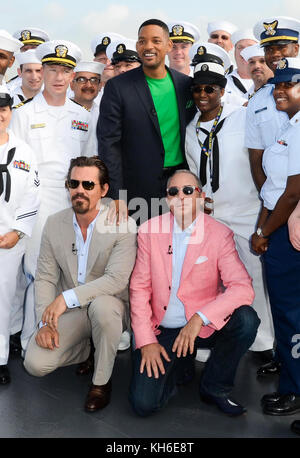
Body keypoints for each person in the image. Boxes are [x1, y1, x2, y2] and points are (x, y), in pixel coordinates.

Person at [129, 169, 259, 417]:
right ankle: (180, 365)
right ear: (167, 199)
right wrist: (146, 341)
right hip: (164, 329)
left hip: (203, 326)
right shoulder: (148, 230)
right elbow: (139, 289)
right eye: (173, 191)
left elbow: (242, 287)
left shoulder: (219, 234)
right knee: (143, 405)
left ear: (201, 197)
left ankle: (215, 387)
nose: (181, 196)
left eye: (188, 190)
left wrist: (199, 318)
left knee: (246, 319)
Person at [24, 156, 137, 412]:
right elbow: (46, 278)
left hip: (109, 307)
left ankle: (101, 382)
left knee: (104, 309)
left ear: (104, 190)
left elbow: (116, 280)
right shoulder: (54, 224)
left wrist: (65, 298)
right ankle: (89, 351)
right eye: (74, 183)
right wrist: (45, 323)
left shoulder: (123, 224)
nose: (80, 190)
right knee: (35, 364)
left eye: (88, 185)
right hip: (72, 313)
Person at [185, 43, 274, 363]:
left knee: (253, 276)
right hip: (212, 215)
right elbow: (196, 172)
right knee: (211, 280)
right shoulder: (191, 128)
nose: (203, 94)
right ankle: (213, 336)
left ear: (222, 89)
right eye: (197, 89)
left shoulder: (244, 114)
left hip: (247, 211)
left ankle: (264, 341)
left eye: (210, 88)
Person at [10, 39, 94, 351]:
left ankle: (63, 336)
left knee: (70, 273)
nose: (59, 77)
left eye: (66, 70)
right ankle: (31, 337)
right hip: (37, 200)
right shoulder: (24, 114)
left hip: (74, 202)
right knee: (36, 272)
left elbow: (90, 162)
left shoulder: (83, 116)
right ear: (42, 71)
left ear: (74, 75)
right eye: (53, 69)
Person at [98, 18, 196, 224]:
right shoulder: (118, 87)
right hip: (136, 187)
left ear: (169, 45)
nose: (148, 46)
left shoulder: (185, 85)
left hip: (179, 185)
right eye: (142, 41)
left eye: (156, 41)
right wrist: (116, 195)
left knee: (178, 245)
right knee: (141, 246)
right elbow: (109, 144)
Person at [251, 57, 300, 416]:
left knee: (290, 315)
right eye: (277, 85)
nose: (280, 90)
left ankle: (295, 390)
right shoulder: (289, 127)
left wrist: (264, 231)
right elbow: (272, 188)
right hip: (276, 228)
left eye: (289, 85)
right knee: (286, 313)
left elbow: (293, 192)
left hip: (287, 233)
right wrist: (261, 227)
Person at [0, 86, 40, 385]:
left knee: (3, 300)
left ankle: (0, 359)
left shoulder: (24, 151)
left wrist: (18, 231)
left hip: (9, 239)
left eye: (3, 109)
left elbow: (32, 195)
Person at [245, 16, 300, 192]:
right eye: (269, 49)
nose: (275, 54)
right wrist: (270, 201)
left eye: (282, 47)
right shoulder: (257, 101)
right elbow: (256, 160)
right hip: (277, 201)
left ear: (296, 48)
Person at [7, 27, 49, 92]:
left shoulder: (55, 84)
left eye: (34, 48)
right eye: (25, 49)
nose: (29, 52)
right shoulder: (10, 87)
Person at [225, 29, 257, 103]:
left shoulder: (269, 82)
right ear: (234, 52)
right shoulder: (224, 83)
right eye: (240, 47)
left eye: (250, 47)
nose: (245, 51)